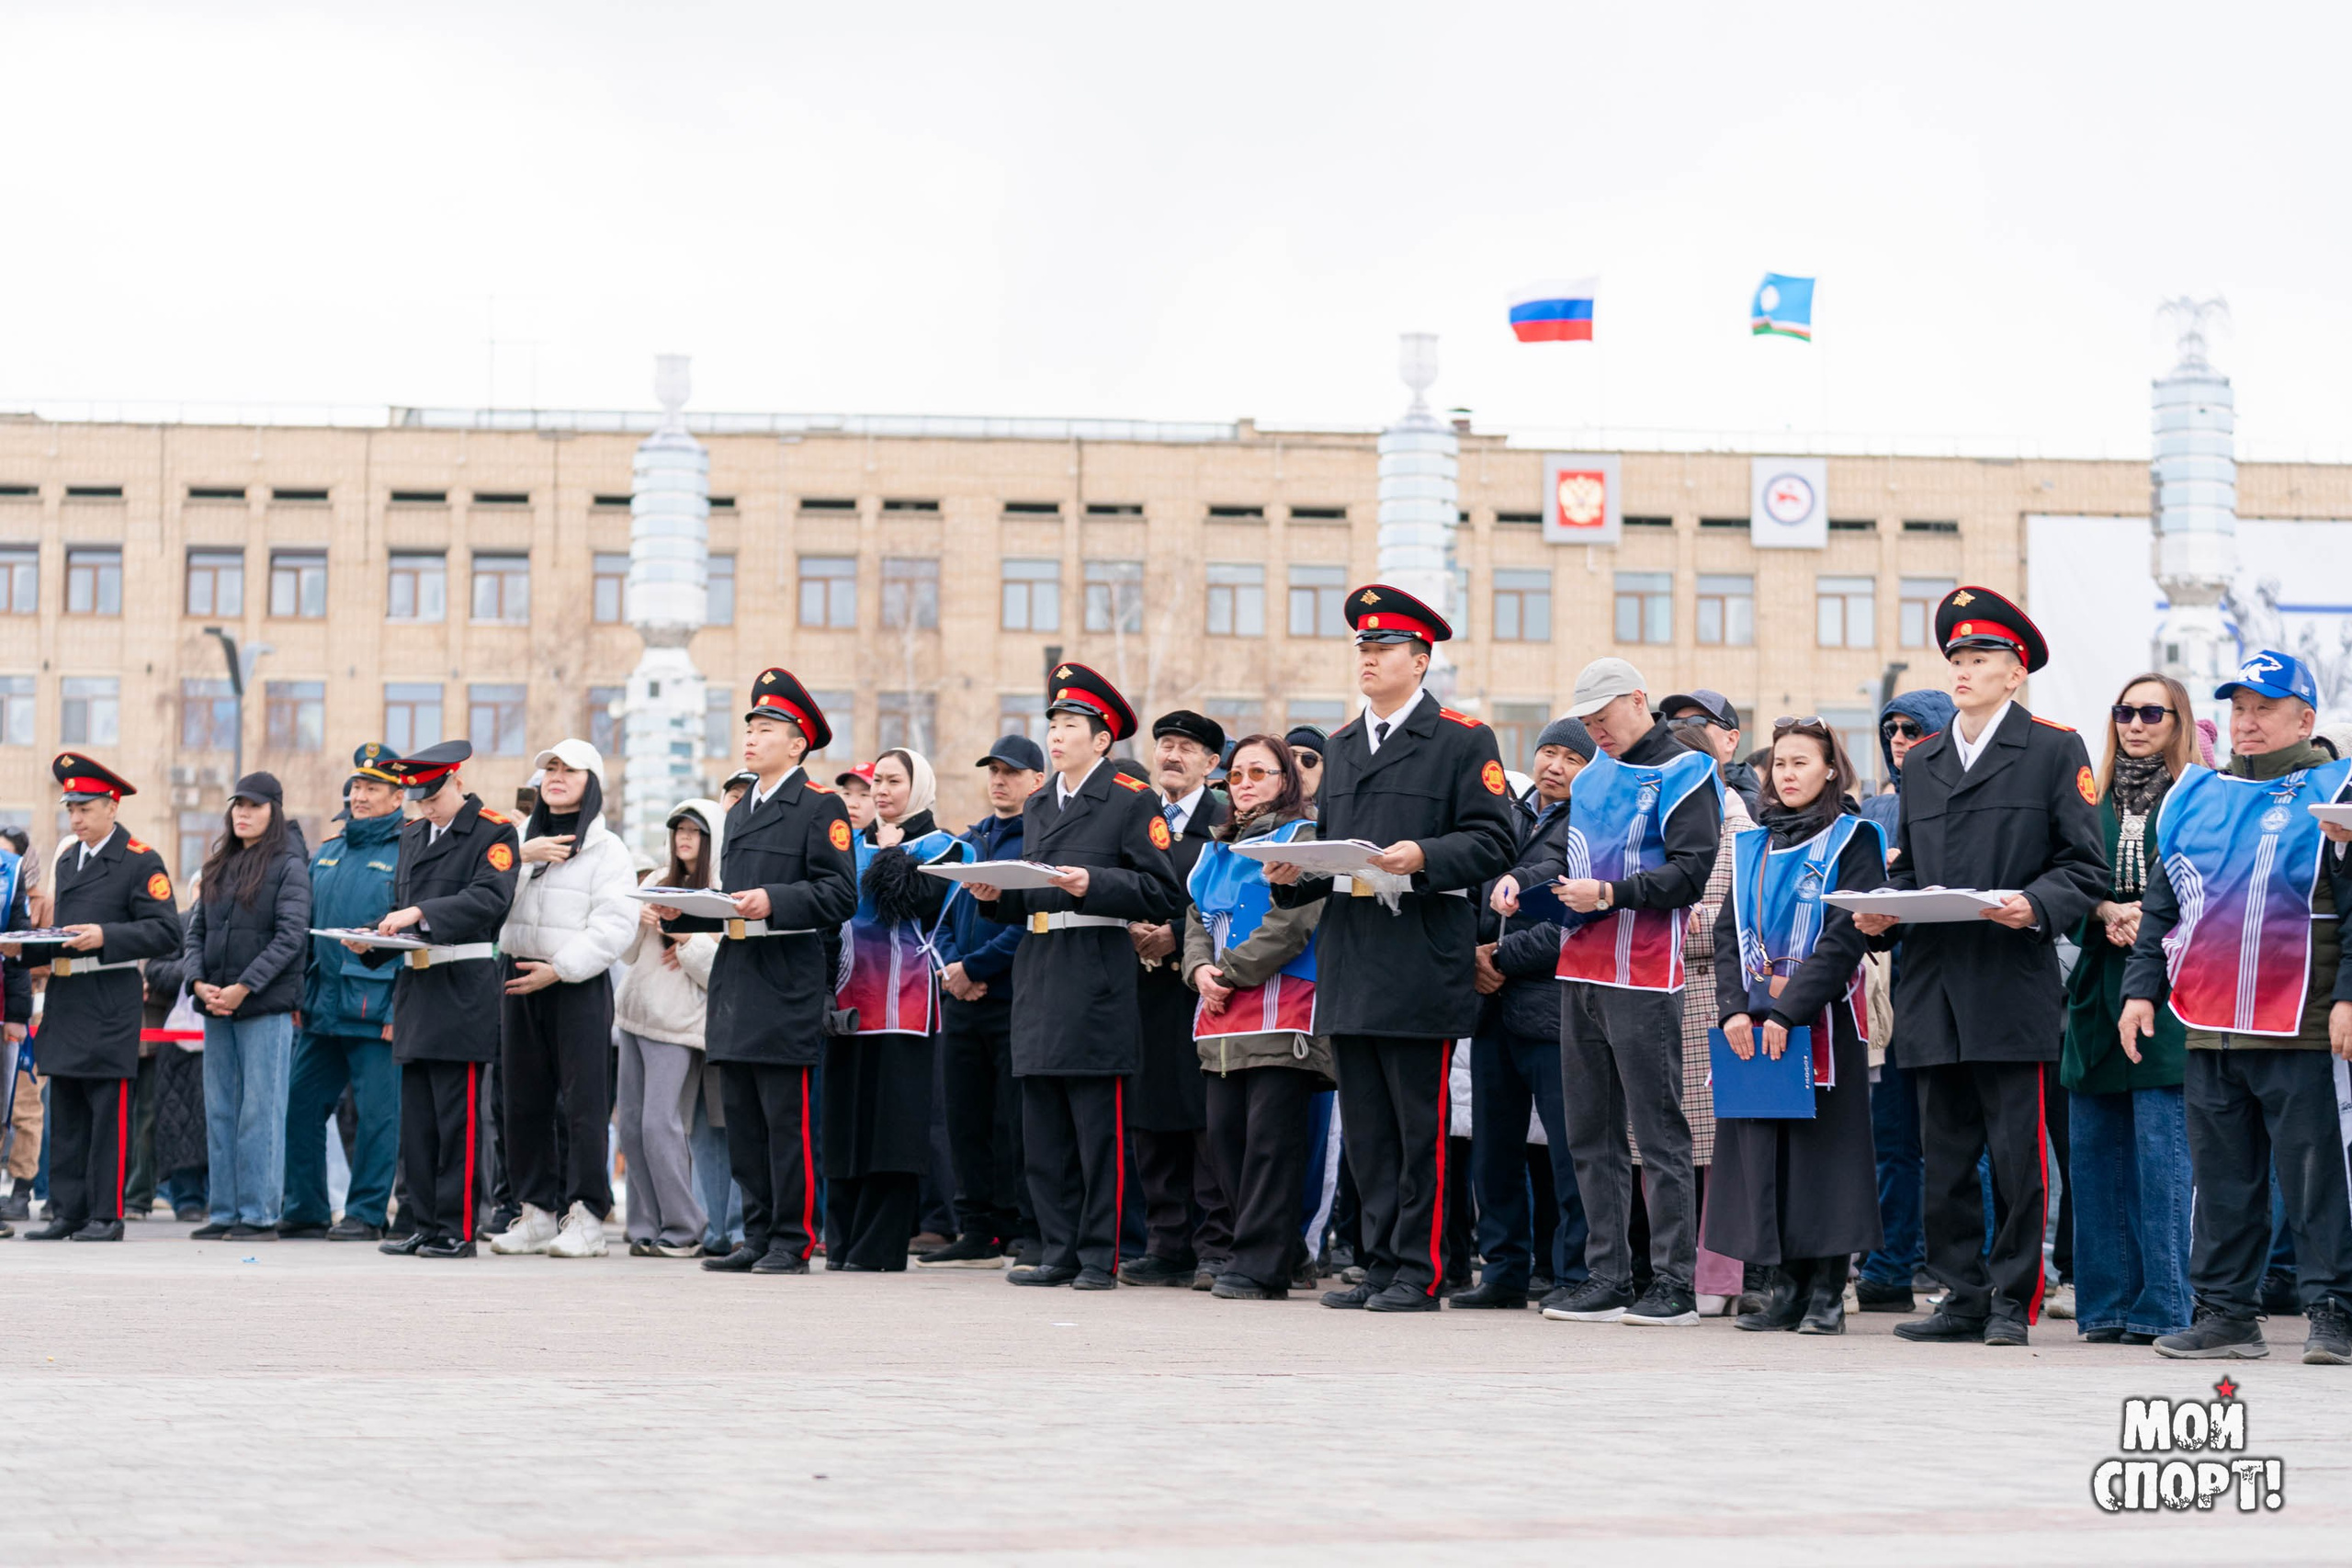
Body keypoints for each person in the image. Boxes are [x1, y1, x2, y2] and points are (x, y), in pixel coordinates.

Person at [1852, 587, 2107, 1348]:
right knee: (1946, 1155)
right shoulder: (1924, 761)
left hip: (2009, 978)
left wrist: (2035, 904)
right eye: (1956, 657)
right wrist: (1884, 911)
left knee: (2016, 1156)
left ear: (2015, 672)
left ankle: (2011, 1300)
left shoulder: (2054, 748)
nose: (1962, 669)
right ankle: (1960, 1296)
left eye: (1980, 657)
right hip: (1933, 983)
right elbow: (1914, 872)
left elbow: (2084, 867)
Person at [1267, 585, 1516, 1313]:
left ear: (1421, 659)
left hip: (1418, 954)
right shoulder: (1342, 746)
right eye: (1363, 648)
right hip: (1352, 953)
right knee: (1369, 1130)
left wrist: (1425, 854)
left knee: (1418, 1127)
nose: (1368, 658)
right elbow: (1335, 850)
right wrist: (1294, 874)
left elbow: (1494, 840)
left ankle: (1421, 1267)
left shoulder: (1463, 739)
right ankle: (1378, 1263)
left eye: (1383, 648)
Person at [2121, 650, 2352, 1364]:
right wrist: (2139, 990)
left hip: (2303, 1024)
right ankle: (2225, 1315)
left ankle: (2334, 1313)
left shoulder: (2339, 790)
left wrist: (2348, 996)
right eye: (2240, 707)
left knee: (2316, 1182)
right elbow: (2162, 905)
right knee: (2221, 1183)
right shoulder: (2195, 794)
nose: (2248, 721)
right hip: (2209, 1024)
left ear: (2304, 719)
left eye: (2265, 708)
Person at [1500, 658, 1723, 1327]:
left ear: (1638, 700)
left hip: (1646, 972)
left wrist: (1611, 893)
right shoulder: (1592, 776)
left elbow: (1690, 874)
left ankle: (1675, 1283)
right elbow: (1564, 855)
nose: (1596, 731)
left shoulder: (1688, 769)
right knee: (1589, 1133)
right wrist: (1521, 882)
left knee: (1658, 1132)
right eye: (1587, 721)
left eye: (1604, 718)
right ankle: (1607, 1276)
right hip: (1579, 967)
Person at [969, 662, 1181, 1289]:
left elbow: (1161, 890)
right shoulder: (1039, 803)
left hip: (1095, 973)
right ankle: (1057, 1248)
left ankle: (1098, 1255)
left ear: (1102, 739)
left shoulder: (1130, 798)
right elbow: (1033, 891)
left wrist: (1095, 883)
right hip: (1039, 970)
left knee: (1097, 1132)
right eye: (1053, 725)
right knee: (1044, 1131)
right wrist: (995, 896)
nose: (1056, 736)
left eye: (1069, 725)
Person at [663, 670, 859, 1275]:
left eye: (766, 729)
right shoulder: (742, 806)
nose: (751, 737)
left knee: (784, 1119)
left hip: (786, 975)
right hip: (738, 975)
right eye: (750, 727)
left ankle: (791, 1240)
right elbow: (732, 897)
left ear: (798, 744)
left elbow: (840, 894)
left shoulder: (820, 806)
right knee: (744, 1120)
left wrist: (775, 899)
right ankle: (755, 1233)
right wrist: (685, 911)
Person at [1711, 718, 1888, 1335]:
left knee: (1825, 1160)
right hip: (1753, 1025)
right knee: (1768, 1157)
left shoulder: (1854, 839)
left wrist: (1790, 1012)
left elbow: (1844, 938)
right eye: (1780, 763)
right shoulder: (1751, 845)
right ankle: (1785, 1289)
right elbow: (1728, 932)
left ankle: (1828, 1294)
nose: (1786, 774)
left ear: (1831, 769)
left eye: (1801, 762)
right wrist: (1735, 1009)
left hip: (1823, 1023)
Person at [2054, 674, 2198, 1344]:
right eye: (2124, 712)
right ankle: (2107, 1306)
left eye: (2150, 713)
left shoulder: (2197, 797)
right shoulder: (2088, 799)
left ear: (2178, 721)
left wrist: (2152, 922)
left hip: (2171, 991)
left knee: (2161, 1160)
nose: (2135, 724)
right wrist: (2104, 910)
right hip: (2096, 991)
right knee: (2093, 1157)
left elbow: (2217, 888)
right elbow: (2063, 880)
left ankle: (2164, 1306)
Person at [354, 740, 521, 1258]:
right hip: (417, 989)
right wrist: (371, 938)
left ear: (457, 782)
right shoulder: (412, 835)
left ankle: (458, 1228)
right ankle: (424, 1223)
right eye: (419, 801)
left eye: (433, 797)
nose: (426, 808)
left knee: (458, 1121)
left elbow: (489, 898)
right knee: (419, 1123)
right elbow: (399, 908)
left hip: (462, 988)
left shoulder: (493, 832)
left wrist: (420, 913)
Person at [1182, 734, 1331, 1300]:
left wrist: (1227, 973)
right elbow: (1195, 918)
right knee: (1225, 1145)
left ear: (1285, 780)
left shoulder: (1304, 837)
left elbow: (1293, 925)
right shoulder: (1214, 850)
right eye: (1236, 775)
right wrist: (1198, 969)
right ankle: (1283, 1252)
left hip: (1281, 1012)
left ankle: (1260, 1268)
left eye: (1259, 773)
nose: (1244, 784)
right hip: (1219, 1017)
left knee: (1270, 1147)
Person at [1455, 716, 1594, 1311]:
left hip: (1554, 1010)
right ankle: (1504, 1270)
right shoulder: (1504, 815)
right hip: (1490, 1009)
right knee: (1494, 1150)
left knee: (1569, 1152)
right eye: (1548, 751)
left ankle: (1575, 1273)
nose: (1555, 766)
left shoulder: (1592, 825)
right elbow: (1468, 895)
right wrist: (1472, 956)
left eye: (1572, 758)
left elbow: (1577, 920)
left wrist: (1501, 957)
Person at [17, 753, 182, 1243]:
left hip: (109, 997)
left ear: (112, 807)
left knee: (107, 1113)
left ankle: (106, 1215)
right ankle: (67, 1211)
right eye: (71, 809)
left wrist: (106, 935)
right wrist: (23, 949)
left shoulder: (140, 860)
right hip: (68, 995)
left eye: (85, 809)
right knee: (66, 1109)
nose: (76, 819)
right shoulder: (68, 859)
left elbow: (165, 932)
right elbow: (63, 935)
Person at [486, 739, 637, 1259]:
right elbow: (488, 902)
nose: (556, 776)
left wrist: (561, 969)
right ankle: (535, 1213)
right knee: (521, 1102)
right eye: (550, 768)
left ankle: (587, 1216)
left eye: (569, 769)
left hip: (575, 982)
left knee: (583, 1104)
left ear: (591, 783)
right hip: (517, 976)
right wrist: (519, 860)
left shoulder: (608, 850)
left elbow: (614, 925)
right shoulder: (517, 844)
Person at [826, 746, 967, 1270]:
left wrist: (890, 852)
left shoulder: (945, 847)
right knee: (845, 1127)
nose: (881, 791)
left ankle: (879, 1248)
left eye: (893, 781)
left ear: (919, 787)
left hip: (905, 1006)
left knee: (893, 1131)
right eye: (877, 782)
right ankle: (841, 1243)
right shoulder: (848, 846)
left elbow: (903, 903)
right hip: (846, 1003)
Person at [920, 734, 1046, 1269]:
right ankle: (976, 1230)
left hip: (1013, 997)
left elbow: (1029, 923)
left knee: (1014, 1121)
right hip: (962, 999)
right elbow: (944, 918)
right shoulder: (970, 842)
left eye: (1011, 772)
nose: (999, 780)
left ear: (1037, 780)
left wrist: (976, 968)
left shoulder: (1039, 839)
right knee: (965, 1118)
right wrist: (954, 970)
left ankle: (1020, 1227)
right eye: (993, 771)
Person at [1852, 686, 1956, 1313]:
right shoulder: (1875, 808)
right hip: (1885, 987)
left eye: (1912, 728)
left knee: (1955, 1139)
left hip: (1947, 985)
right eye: (1890, 728)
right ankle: (1891, 1265)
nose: (1898, 739)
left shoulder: (1960, 798)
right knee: (1891, 1137)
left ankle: (1961, 1270)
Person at [1124, 708, 1233, 1288]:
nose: (1172, 755)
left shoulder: (1224, 822)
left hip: (1203, 988)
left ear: (1212, 764)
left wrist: (1173, 931)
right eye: (1165, 744)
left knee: (1204, 1119)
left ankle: (1215, 1245)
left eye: (1187, 748)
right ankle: (1165, 1244)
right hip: (1141, 990)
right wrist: (1130, 927)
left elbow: (1227, 897)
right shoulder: (1137, 813)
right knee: (1152, 1113)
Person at [283, 745, 408, 1241]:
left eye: (373, 788)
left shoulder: (408, 851)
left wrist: (399, 1008)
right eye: (357, 786)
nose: (361, 796)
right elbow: (305, 930)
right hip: (322, 1005)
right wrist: (299, 994)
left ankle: (367, 1213)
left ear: (397, 797)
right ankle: (306, 1208)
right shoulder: (328, 852)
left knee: (377, 1118)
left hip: (377, 1008)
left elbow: (413, 938)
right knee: (301, 1106)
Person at [182, 772, 311, 1241]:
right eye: (239, 804)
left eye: (255, 806)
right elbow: (195, 933)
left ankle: (258, 1215)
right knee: (220, 1111)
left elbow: (290, 938)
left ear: (274, 811)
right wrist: (198, 982)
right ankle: (224, 1212)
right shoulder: (218, 865)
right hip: (216, 1006)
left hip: (264, 1008)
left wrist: (244, 986)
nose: (244, 813)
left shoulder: (289, 866)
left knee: (260, 1112)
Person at [615, 799, 723, 1258]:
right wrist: (637, 920)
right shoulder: (657, 879)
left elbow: (720, 970)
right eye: (679, 829)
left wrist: (686, 938)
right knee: (631, 1128)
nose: (684, 838)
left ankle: (684, 1228)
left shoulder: (720, 890)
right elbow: (627, 954)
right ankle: (646, 1227)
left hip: (678, 1023)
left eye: (694, 831)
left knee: (660, 1124)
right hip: (633, 1014)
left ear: (711, 837)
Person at [1658, 689, 1762, 817]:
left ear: (1731, 740)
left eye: (1696, 722)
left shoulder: (1750, 805)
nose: (1682, 730)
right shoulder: (1660, 788)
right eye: (1674, 724)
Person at [1285, 725, 1327, 807]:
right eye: (1290, 757)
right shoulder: (1260, 808)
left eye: (1309, 759)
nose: (1297, 766)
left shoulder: (1344, 813)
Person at [835, 763, 877, 837]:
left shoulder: (891, 840)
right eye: (847, 793)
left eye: (864, 795)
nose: (852, 804)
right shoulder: (823, 834)